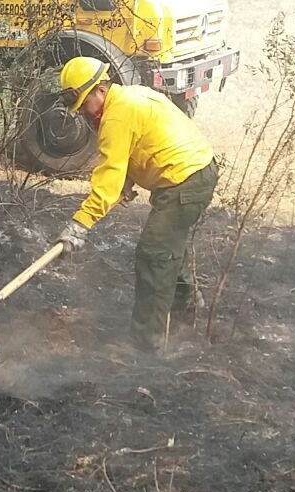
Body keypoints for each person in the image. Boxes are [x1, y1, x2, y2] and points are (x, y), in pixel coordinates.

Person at [54, 56, 218, 351]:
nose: (83, 115)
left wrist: (79, 224)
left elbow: (108, 177)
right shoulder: (130, 96)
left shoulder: (116, 116)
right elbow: (141, 142)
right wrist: (129, 179)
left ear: (99, 90)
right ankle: (186, 314)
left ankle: (146, 344)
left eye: (83, 105)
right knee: (167, 248)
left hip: (184, 179)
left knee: (154, 254)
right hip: (196, 171)